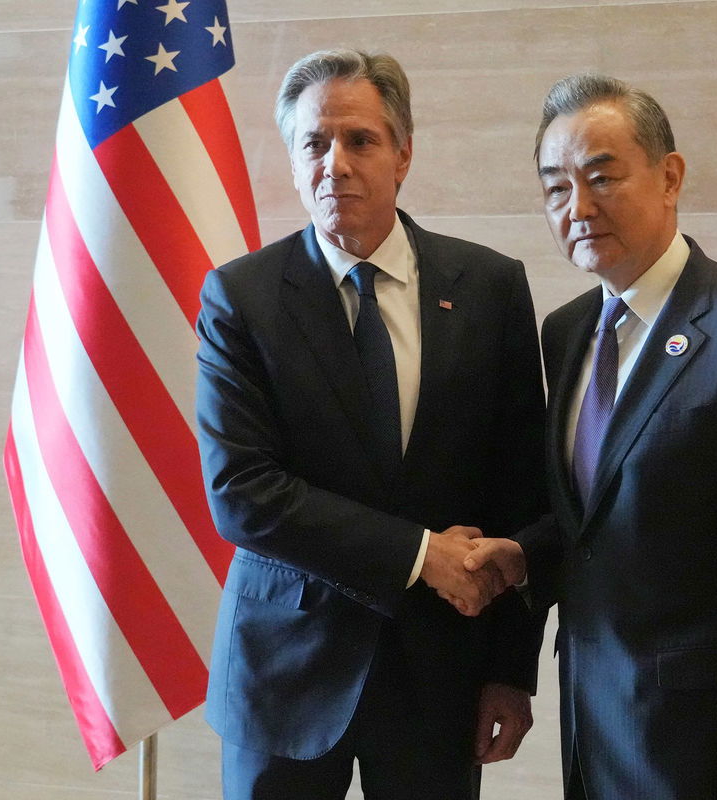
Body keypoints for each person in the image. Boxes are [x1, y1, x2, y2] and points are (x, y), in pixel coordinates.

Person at [463, 74, 717, 800]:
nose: (577, 207)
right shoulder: (568, 331)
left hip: (709, 750)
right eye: (555, 188)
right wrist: (526, 555)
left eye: (602, 176)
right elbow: (601, 518)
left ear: (669, 176)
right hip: (596, 733)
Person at [194, 49, 546, 800]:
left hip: (440, 675)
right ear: (293, 163)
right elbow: (243, 492)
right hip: (285, 675)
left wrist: (510, 672)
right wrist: (421, 554)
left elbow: (521, 491)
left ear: (403, 154)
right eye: (313, 144)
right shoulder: (241, 298)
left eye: (360, 140)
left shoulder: (490, 287)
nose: (336, 164)